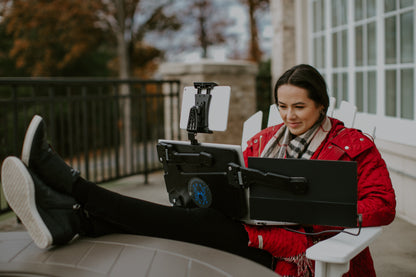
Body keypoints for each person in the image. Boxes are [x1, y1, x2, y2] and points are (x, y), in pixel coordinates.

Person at [1, 64, 396, 277]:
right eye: (282, 105)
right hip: (249, 228)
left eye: (299, 107)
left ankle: (71, 193)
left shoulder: (353, 146)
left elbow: (383, 204)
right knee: (181, 218)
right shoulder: (264, 141)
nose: (289, 116)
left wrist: (328, 209)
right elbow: (239, 187)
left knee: (178, 223)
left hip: (301, 251)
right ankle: (75, 218)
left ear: (321, 105)